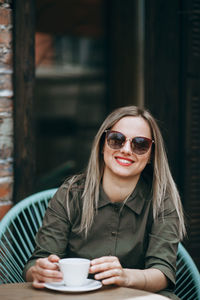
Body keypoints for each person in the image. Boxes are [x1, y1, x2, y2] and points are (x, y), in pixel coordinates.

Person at [23, 106, 186, 299]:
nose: (126, 150)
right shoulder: (70, 195)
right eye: (116, 140)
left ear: (150, 154)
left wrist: (126, 277)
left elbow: (163, 273)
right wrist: (40, 271)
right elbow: (36, 264)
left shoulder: (162, 200)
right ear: (102, 144)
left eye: (140, 144)